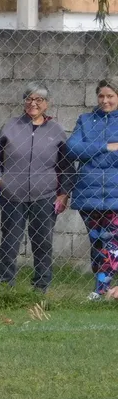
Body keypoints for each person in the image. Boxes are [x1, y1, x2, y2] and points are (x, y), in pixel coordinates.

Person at [0, 83, 72, 293]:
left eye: (39, 100)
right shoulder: (10, 126)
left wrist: (63, 193)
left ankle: (41, 287)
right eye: (29, 99)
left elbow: (67, 165)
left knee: (43, 243)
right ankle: (5, 287)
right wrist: (0, 181)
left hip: (45, 195)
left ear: (46, 104)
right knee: (10, 243)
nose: (33, 103)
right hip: (12, 196)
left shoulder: (56, 130)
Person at [66, 77, 118, 300]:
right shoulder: (85, 120)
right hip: (89, 193)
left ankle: (100, 290)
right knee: (97, 243)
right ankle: (103, 289)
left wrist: (90, 154)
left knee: (113, 243)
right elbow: (72, 149)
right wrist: (107, 147)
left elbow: (83, 152)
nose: (105, 101)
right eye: (101, 96)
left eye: (110, 96)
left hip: (115, 194)